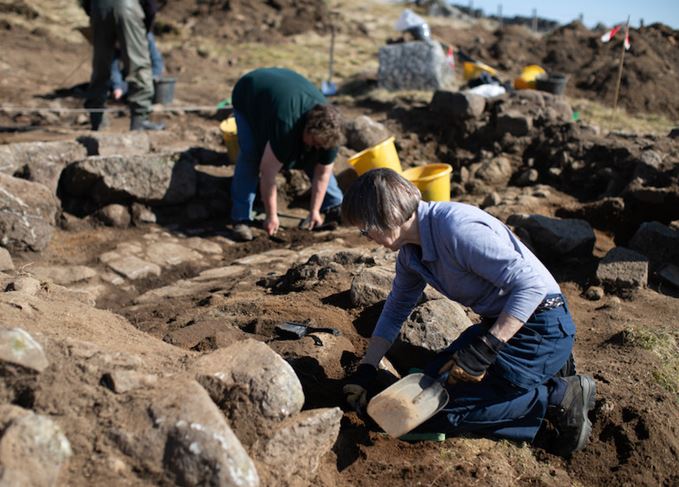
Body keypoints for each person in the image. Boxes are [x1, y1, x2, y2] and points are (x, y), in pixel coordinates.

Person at [341, 168, 596, 457]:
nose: (366, 236)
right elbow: (395, 309)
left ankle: (557, 395)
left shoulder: (456, 229)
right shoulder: (412, 252)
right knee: (430, 382)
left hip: (540, 326)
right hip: (502, 324)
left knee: (440, 413)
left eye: (365, 228)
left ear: (387, 214)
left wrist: (486, 348)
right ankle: (532, 377)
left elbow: (531, 286)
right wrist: (367, 368)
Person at [229, 67, 344, 242]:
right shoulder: (286, 126)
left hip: (285, 93)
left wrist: (314, 211)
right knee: (251, 154)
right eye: (314, 142)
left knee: (315, 158)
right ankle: (241, 217)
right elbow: (267, 174)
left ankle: (334, 205)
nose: (316, 147)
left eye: (320, 145)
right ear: (306, 128)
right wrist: (271, 215)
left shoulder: (331, 136)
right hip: (249, 92)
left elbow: (322, 174)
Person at [82, 0, 164, 131]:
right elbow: (150, 6)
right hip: (128, 8)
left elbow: (85, 4)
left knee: (100, 66)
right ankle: (140, 120)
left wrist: (95, 12)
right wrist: (145, 27)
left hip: (98, 7)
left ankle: (97, 120)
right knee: (138, 66)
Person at [110, 31, 164, 101]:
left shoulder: (146, 37)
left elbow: (157, 64)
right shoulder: (116, 36)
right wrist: (117, 87)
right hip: (128, 80)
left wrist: (152, 78)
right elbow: (114, 67)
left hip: (147, 78)